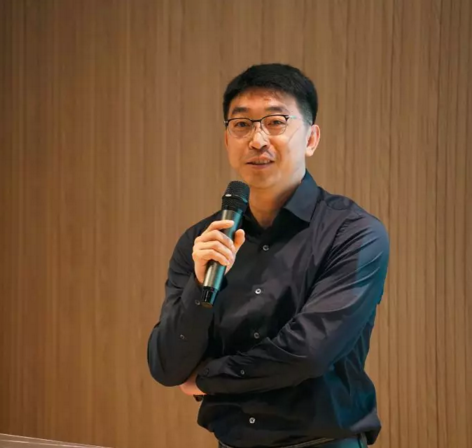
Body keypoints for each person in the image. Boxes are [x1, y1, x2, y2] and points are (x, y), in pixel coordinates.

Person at [147, 63, 389, 448]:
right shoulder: (202, 240)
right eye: (242, 125)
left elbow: (308, 352)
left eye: (276, 122)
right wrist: (199, 285)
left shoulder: (352, 233)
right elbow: (166, 366)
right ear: (227, 140)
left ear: (311, 138)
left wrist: (208, 378)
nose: (257, 140)